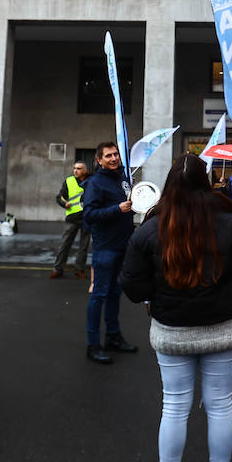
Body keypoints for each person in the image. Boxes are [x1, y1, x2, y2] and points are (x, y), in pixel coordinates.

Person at [122, 153, 232, 462]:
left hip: (172, 331)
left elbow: (133, 288)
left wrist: (155, 295)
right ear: (208, 183)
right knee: (219, 406)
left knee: (174, 407)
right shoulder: (231, 224)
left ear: (169, 186)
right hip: (224, 329)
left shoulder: (150, 229)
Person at [82, 141, 138, 363]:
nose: (114, 158)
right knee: (100, 295)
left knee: (115, 293)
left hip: (123, 245)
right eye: (108, 156)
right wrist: (117, 209)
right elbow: (89, 215)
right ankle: (93, 344)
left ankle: (113, 337)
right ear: (99, 160)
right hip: (105, 247)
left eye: (115, 154)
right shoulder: (95, 183)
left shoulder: (123, 179)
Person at [50, 161, 91, 279]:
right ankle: (57, 269)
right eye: (74, 168)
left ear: (85, 171)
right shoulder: (69, 181)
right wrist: (65, 204)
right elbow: (59, 197)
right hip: (72, 219)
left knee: (84, 246)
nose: (75, 170)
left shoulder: (91, 182)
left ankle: (80, 270)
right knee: (64, 245)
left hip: (87, 218)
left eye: (79, 168)